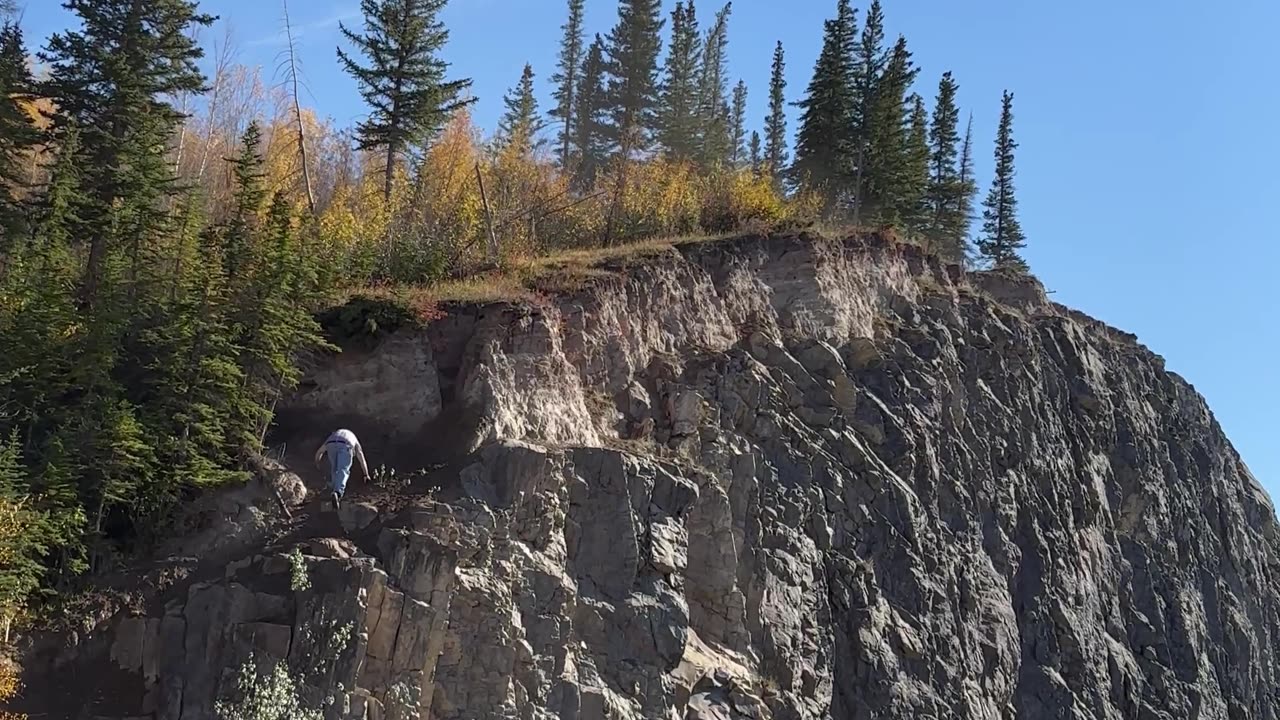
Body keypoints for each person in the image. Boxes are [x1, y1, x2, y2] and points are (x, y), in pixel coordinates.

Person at [314, 428, 369, 510]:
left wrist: (317, 462)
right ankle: (337, 492)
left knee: (334, 469)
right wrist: (366, 474)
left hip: (330, 444)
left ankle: (332, 487)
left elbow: (319, 452)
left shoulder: (333, 436)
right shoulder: (354, 440)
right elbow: (361, 458)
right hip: (346, 444)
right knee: (343, 469)